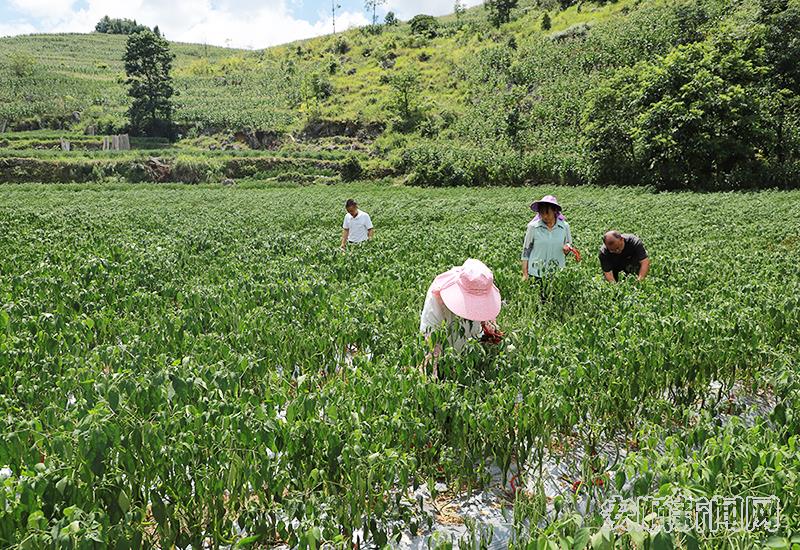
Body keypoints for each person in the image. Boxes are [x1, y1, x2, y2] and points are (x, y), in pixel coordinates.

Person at [420, 259, 503, 364]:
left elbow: (483, 321)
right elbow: (430, 336)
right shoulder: (436, 297)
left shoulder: (480, 282)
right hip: (445, 348)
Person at [521, 195, 580, 281]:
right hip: (536, 273)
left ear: (554, 211)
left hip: (557, 273)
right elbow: (526, 251)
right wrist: (525, 273)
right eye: (542, 213)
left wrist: (567, 248)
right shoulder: (533, 227)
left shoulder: (564, 226)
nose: (545, 216)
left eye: (547, 213)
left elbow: (568, 243)